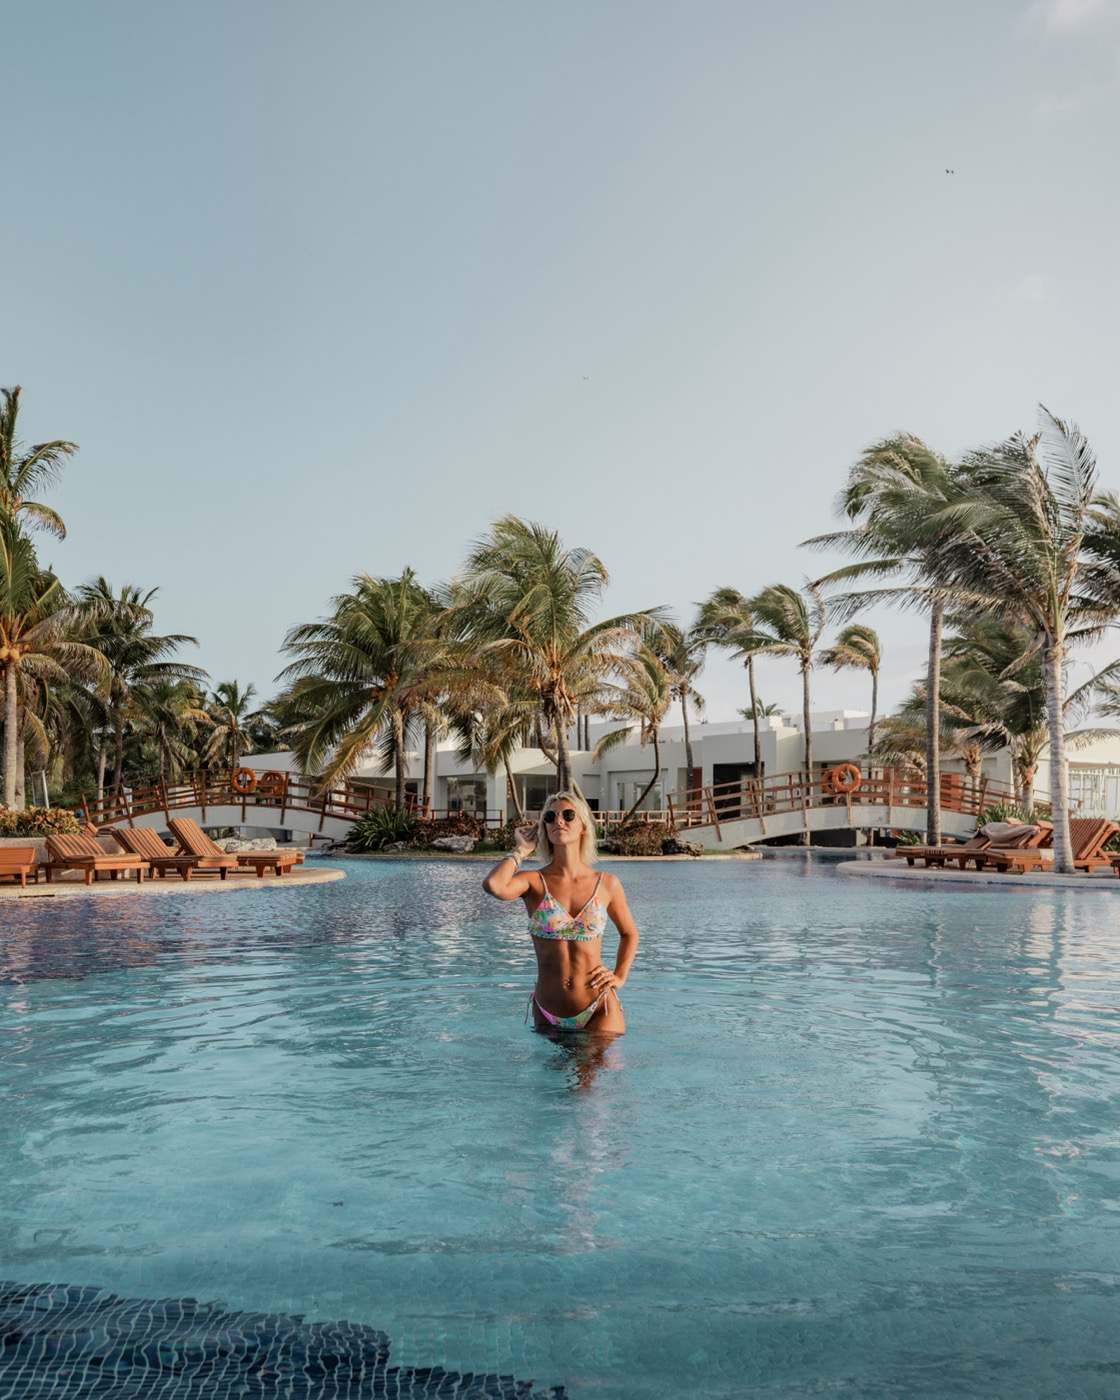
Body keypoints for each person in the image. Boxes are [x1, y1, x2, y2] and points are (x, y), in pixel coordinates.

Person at [483, 791, 639, 1034]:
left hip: (599, 1008)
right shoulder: (533, 881)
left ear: (583, 826)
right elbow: (494, 886)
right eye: (550, 817)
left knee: (593, 1071)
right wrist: (521, 851)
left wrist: (620, 976)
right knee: (550, 1073)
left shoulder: (607, 883)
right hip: (547, 1010)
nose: (559, 821)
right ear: (544, 827)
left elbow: (629, 934)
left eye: (568, 815)